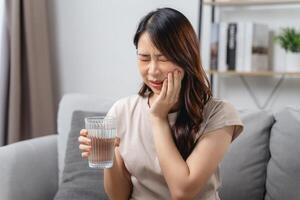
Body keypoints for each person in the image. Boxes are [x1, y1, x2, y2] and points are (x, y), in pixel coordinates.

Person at [78, 7, 244, 200]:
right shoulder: (122, 111)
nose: (153, 71)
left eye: (163, 58)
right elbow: (118, 196)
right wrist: (108, 157)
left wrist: (158, 117)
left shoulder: (219, 114)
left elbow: (182, 192)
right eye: (144, 58)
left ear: (187, 58)